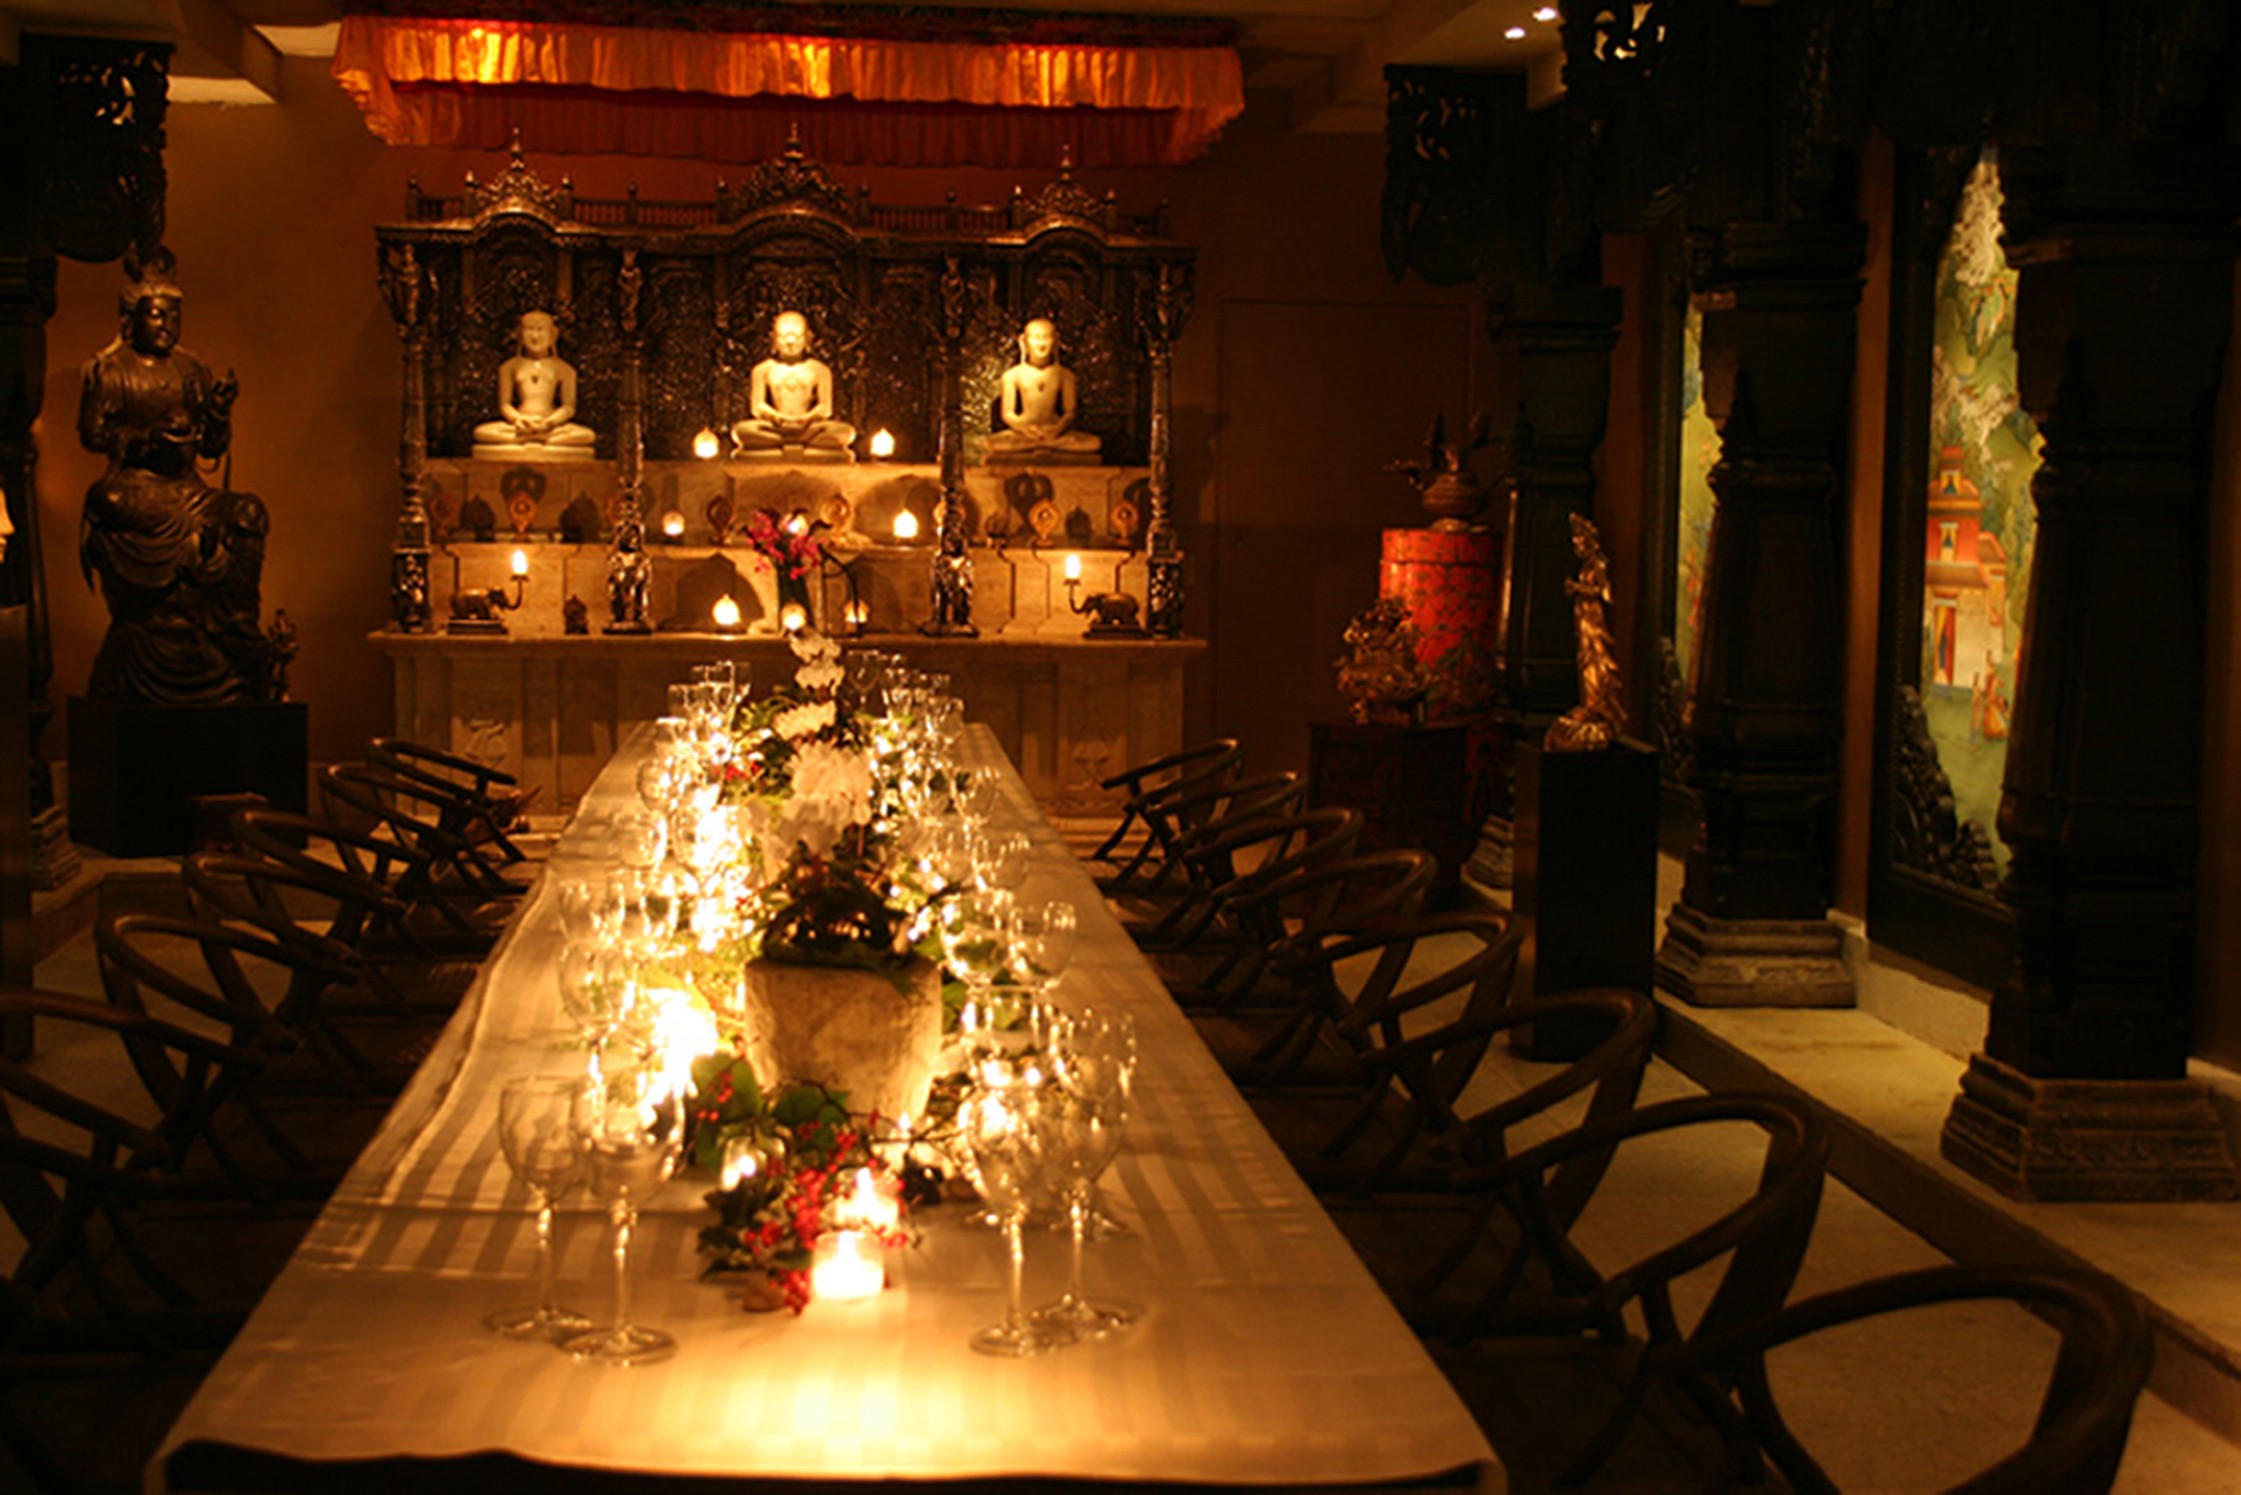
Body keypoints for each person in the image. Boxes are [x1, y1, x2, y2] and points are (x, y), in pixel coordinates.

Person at [77, 251, 272, 704]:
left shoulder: (192, 370)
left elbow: (210, 449)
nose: (166, 325)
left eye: (174, 316)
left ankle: (235, 621)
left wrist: (219, 411)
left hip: (186, 488)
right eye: (157, 314)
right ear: (130, 320)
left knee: (248, 511)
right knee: (106, 500)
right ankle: (158, 619)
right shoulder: (110, 370)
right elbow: (92, 433)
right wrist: (144, 439)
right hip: (137, 486)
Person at [472, 310, 596, 458]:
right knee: (481, 432)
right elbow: (505, 404)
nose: (535, 336)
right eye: (530, 330)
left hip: (551, 427)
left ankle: (530, 439)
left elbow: (568, 407)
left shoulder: (565, 369)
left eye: (540, 330)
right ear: (519, 334)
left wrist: (551, 421)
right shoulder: (509, 367)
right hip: (520, 426)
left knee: (587, 435)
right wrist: (518, 419)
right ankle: (534, 439)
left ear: (553, 335)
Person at [731, 311, 855, 459]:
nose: (790, 342)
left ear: (808, 339)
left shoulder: (820, 369)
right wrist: (778, 418)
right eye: (783, 337)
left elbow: (825, 408)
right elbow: (757, 407)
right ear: (773, 339)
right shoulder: (762, 369)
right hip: (776, 427)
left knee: (844, 432)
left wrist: (806, 419)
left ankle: (779, 448)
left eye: (797, 337)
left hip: (808, 428)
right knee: (742, 431)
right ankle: (802, 449)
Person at [984, 317, 1101, 462]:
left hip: (1055, 432)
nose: (1041, 344)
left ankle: (1040, 446)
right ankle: (1044, 446)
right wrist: (1025, 429)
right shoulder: (1012, 375)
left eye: (1046, 337)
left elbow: (1070, 412)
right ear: (1023, 341)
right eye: (1036, 337)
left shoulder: (1065, 375)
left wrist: (1057, 429)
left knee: (1093, 443)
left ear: (1056, 341)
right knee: (991, 443)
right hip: (1023, 433)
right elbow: (1008, 414)